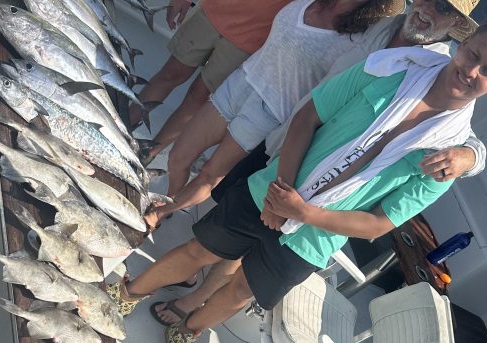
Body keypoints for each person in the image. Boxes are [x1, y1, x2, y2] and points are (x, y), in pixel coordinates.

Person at [109, 17, 487, 343]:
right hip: (272, 188)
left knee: (241, 290)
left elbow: (378, 224)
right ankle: (128, 293)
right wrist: (284, 191)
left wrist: (304, 213)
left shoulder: (448, 158)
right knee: (199, 250)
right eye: (473, 53)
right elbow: (308, 116)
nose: (471, 70)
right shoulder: (390, 70)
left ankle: (187, 330)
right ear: (463, 43)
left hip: (314, 239)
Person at [150, 0, 485, 327]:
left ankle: (194, 300)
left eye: (445, 9)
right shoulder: (378, 24)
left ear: (457, 26)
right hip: (284, 139)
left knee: (244, 250)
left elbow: (463, 132)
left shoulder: (440, 67)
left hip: (317, 182)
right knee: (230, 222)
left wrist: (470, 157)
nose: (429, 9)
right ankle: (191, 275)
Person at [148, 0, 405, 216]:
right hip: (242, 81)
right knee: (178, 156)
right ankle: (169, 199)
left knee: (208, 174)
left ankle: (159, 213)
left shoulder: (363, 38)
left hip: (270, 112)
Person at [130, 0, 293, 162]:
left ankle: (147, 154)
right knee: (169, 75)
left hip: (252, 40)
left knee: (198, 98)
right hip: (211, 13)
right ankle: (122, 126)